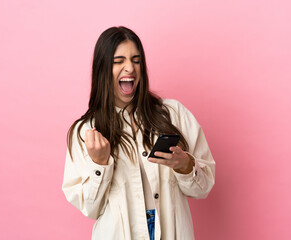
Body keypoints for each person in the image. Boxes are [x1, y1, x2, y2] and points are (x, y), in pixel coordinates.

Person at [62, 26, 215, 240]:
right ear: (102, 68)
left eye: (136, 60)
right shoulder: (85, 131)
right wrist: (99, 164)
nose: (130, 68)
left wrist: (185, 165)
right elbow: (90, 209)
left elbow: (204, 188)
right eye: (118, 61)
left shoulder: (174, 114)